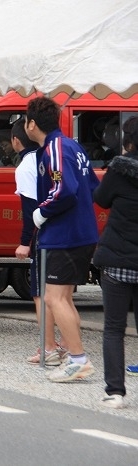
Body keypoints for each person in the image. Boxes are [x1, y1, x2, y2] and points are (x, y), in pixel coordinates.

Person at [25, 96, 99, 382]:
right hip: (82, 232)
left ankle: (78, 359)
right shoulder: (73, 145)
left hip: (64, 235)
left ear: (32, 124)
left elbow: (63, 189)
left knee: (54, 298)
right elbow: (91, 185)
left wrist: (42, 212)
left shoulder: (54, 147)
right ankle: (71, 355)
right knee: (64, 298)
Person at [11, 118, 66, 365]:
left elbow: (30, 209)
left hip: (45, 235)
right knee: (62, 294)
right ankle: (65, 343)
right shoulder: (54, 155)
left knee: (40, 294)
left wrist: (25, 242)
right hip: (66, 232)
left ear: (15, 141)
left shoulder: (26, 166)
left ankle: (48, 346)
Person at [92, 116, 138, 408]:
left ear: (127, 140)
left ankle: (116, 392)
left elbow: (101, 198)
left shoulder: (118, 171)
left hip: (118, 261)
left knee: (113, 329)